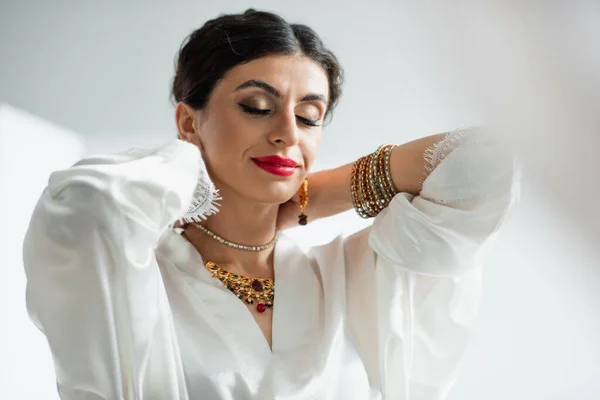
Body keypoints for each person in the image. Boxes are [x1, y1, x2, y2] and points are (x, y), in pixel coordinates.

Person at [22, 9, 521, 400]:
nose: (285, 133)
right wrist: (192, 170)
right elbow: (86, 205)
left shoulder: (350, 273)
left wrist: (321, 194)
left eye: (308, 116)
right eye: (256, 107)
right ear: (189, 121)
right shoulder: (132, 270)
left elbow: (490, 162)